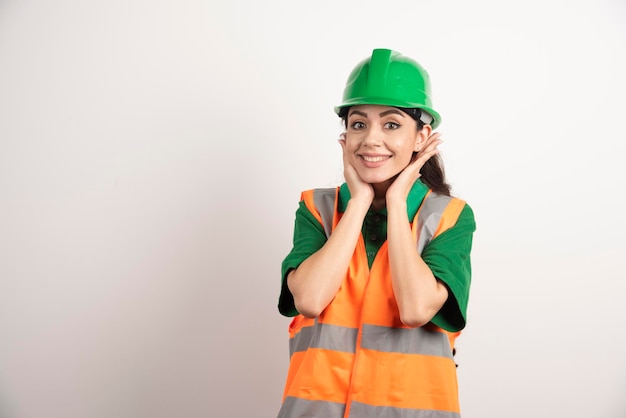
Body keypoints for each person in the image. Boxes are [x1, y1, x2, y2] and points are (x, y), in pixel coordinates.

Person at [277, 48, 476, 418]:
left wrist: (398, 202)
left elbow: (416, 309)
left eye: (391, 124)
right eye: (358, 123)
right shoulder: (316, 209)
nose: (370, 139)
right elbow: (309, 299)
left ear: (422, 136)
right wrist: (357, 204)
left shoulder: (449, 217)